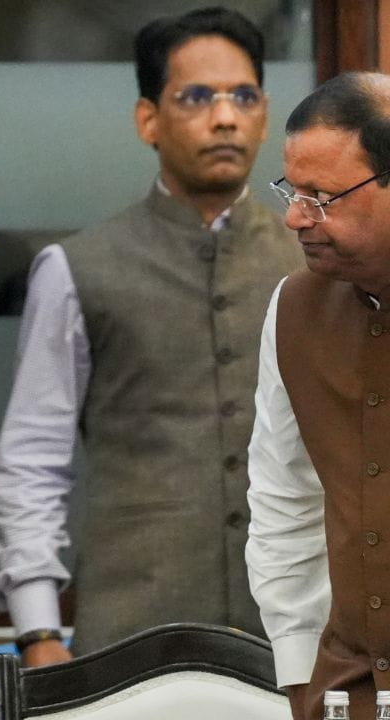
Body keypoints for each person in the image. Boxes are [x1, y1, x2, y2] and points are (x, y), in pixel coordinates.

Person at [0, 6, 302, 666]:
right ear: (147, 120)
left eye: (243, 97)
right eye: (197, 97)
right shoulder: (77, 268)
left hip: (295, 638)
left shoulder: (310, 263)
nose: (225, 117)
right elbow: (33, 461)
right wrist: (39, 632)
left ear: (265, 115)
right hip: (130, 640)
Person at [247, 71, 390, 720]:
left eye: (322, 197)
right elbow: (285, 499)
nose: (294, 217)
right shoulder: (295, 307)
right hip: (345, 686)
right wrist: (301, 672)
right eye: (292, 190)